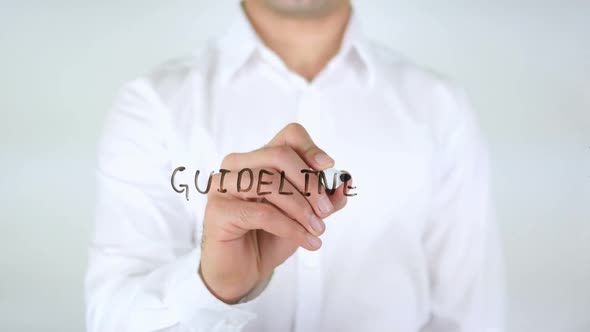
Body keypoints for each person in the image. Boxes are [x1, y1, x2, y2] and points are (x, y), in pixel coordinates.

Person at [85, 0, 505, 331]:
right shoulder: (153, 106)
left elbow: (472, 319)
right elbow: (110, 320)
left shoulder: (440, 108)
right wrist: (213, 288)